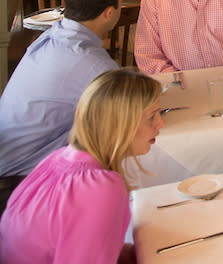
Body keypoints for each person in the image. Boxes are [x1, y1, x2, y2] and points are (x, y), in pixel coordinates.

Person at [0, 68, 165, 264]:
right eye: (152, 117)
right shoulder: (100, 189)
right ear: (119, 124)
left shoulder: (56, 158)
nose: (161, 123)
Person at [0, 0, 123, 211]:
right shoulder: (92, 64)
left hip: (10, 157)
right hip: (24, 183)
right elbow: (126, 117)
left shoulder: (54, 36)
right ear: (109, 13)